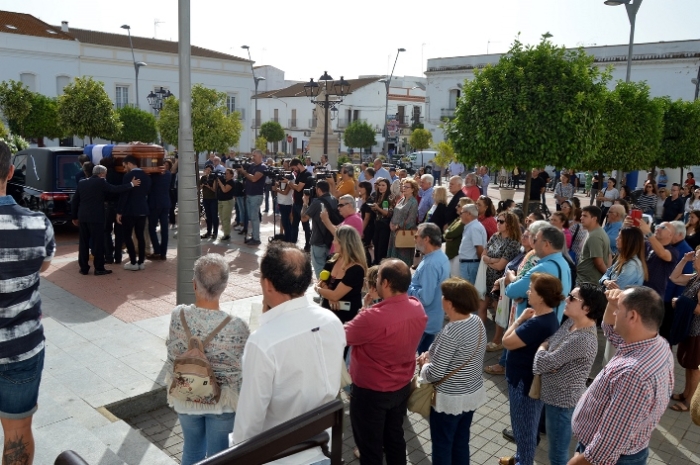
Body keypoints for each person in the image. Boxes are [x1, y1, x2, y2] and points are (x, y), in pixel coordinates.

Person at [232, 243, 345, 464]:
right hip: (323, 447)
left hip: (282, 456)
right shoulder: (331, 321)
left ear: (268, 284)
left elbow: (249, 423)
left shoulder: (263, 342)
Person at [571, 287, 674, 465]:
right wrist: (612, 305)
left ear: (633, 316)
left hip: (607, 458)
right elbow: (611, 330)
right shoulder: (656, 343)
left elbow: (607, 444)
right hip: (626, 451)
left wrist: (577, 462)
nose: (615, 313)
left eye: (619, 309)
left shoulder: (634, 374)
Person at [165, 254, 249, 465]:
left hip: (186, 394)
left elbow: (172, 353)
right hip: (222, 402)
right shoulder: (237, 325)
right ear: (224, 286)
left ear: (194, 284)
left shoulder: (178, 315)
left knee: (191, 452)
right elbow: (240, 373)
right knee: (218, 458)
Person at [0, 141, 55, 465]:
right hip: (22, 348)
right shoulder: (37, 225)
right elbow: (43, 267)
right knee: (17, 432)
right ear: (10, 171)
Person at [345, 259, 427, 465]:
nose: (376, 281)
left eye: (379, 277)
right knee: (395, 440)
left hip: (371, 392)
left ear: (387, 283)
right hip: (400, 388)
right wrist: (368, 306)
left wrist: (365, 308)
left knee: (370, 448)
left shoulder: (373, 318)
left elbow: (344, 336)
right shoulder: (417, 307)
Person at [533, 284, 607, 465]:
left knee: (557, 454)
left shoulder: (582, 338)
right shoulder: (570, 323)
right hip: (552, 395)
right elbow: (550, 343)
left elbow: (540, 364)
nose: (566, 299)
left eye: (572, 298)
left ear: (587, 308)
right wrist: (548, 352)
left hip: (561, 403)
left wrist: (544, 352)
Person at [417, 278, 487, 465]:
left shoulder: (452, 332)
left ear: (449, 303)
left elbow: (436, 373)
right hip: (471, 394)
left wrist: (424, 365)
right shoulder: (477, 322)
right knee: (461, 442)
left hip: (449, 399)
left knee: (442, 446)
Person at [500, 273, 562, 465]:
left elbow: (506, 342)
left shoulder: (536, 323)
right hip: (525, 380)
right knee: (526, 427)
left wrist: (518, 321)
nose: (528, 291)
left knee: (524, 431)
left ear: (541, 296)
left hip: (523, 383)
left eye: (532, 290)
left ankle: (523, 461)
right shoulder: (549, 318)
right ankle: (519, 458)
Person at [71, 164, 138, 275]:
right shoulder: (101, 182)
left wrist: (74, 216)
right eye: (105, 175)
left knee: (83, 243)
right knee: (98, 243)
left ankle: (83, 268)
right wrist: (131, 184)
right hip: (96, 217)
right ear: (102, 174)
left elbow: (75, 200)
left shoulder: (82, 182)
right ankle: (99, 268)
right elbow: (115, 189)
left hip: (83, 217)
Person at [505, 224, 571, 322]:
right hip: (551, 325)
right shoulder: (564, 263)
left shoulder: (543, 268)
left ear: (546, 244)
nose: (533, 243)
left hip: (535, 327)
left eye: (535, 240)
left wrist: (518, 290)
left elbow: (511, 291)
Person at [409, 223, 451, 353]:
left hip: (424, 323)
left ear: (426, 239)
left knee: (416, 358)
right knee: (425, 358)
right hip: (433, 319)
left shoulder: (430, 264)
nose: (414, 239)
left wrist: (406, 287)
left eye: (416, 236)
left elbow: (425, 298)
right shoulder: (440, 257)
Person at [479, 211, 521, 336]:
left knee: (499, 311)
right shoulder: (495, 237)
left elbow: (500, 266)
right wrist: (494, 260)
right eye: (497, 220)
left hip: (499, 282)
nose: (498, 223)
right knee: (481, 307)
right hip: (486, 278)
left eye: (501, 221)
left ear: (510, 224)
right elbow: (483, 255)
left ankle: (498, 338)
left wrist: (489, 260)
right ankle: (479, 335)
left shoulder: (513, 242)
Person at [668, 248, 700, 412]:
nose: (694, 259)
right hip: (691, 329)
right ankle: (686, 393)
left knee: (694, 368)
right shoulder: (696, 277)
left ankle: (689, 402)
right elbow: (674, 277)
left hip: (697, 332)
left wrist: (680, 302)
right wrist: (684, 260)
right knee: (688, 364)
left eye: (697, 257)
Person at [314, 225, 367, 324]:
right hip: (327, 316)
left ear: (344, 243)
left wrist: (319, 290)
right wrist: (329, 294)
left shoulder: (356, 269)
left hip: (346, 321)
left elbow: (334, 295)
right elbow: (321, 281)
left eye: (335, 240)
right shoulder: (332, 260)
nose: (333, 242)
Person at [117, 155, 152, 271]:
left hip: (129, 211)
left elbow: (124, 195)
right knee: (140, 236)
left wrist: (119, 211)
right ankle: (141, 262)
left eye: (125, 165)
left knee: (127, 236)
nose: (124, 168)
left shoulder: (128, 176)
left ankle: (133, 262)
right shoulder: (146, 176)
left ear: (129, 163)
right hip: (142, 209)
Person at [302, 180, 338, 277]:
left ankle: (323, 291)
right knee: (331, 269)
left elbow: (304, 218)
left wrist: (305, 203)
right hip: (332, 241)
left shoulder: (317, 202)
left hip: (318, 240)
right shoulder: (335, 200)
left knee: (320, 270)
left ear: (318, 190)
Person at [237, 149, 267, 246]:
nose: (253, 157)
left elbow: (254, 178)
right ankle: (254, 235)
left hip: (256, 195)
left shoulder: (262, 167)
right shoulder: (253, 166)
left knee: (254, 218)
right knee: (251, 217)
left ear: (260, 156)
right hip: (249, 194)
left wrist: (244, 172)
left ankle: (256, 238)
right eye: (252, 155)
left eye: (254, 155)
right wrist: (241, 170)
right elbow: (245, 174)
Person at [387, 178, 419, 267]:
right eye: (403, 186)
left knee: (402, 261)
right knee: (393, 261)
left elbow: (411, 220)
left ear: (413, 189)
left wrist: (398, 226)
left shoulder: (413, 202)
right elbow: (395, 212)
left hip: (404, 233)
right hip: (394, 233)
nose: (404, 188)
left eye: (407, 187)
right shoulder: (401, 199)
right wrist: (391, 223)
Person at [576, 206, 611, 286]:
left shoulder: (594, 235)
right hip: (589, 281)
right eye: (581, 215)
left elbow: (598, 262)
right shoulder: (598, 232)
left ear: (594, 219)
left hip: (587, 282)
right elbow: (609, 255)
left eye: (585, 216)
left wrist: (606, 276)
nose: (581, 218)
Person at [444, 198, 474, 277]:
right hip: (451, 255)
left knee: (455, 278)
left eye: (458, 206)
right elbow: (446, 232)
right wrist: (447, 235)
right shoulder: (458, 219)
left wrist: (447, 234)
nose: (456, 207)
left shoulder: (463, 223)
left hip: (457, 256)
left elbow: (450, 234)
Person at [458, 204, 487, 284]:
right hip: (469, 264)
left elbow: (479, 248)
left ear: (468, 213)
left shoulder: (474, 227)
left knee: (468, 291)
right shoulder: (471, 226)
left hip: (471, 265)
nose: (460, 215)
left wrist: (479, 264)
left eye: (462, 213)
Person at [289, 158, 313, 250]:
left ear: (299, 164)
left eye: (294, 168)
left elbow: (298, 188)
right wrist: (290, 183)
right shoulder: (299, 174)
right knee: (294, 225)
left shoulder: (307, 174)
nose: (294, 170)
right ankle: (293, 243)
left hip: (303, 204)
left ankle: (308, 245)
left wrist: (288, 182)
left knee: (305, 226)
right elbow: (296, 187)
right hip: (296, 203)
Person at [147, 168, 172, 260]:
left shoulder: (153, 176)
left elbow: (148, 188)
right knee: (164, 229)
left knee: (151, 228)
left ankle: (157, 251)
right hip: (165, 203)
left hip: (154, 204)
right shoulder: (168, 174)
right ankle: (163, 253)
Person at [370, 178, 394, 265]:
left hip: (385, 225)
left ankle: (381, 265)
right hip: (377, 224)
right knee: (376, 244)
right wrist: (374, 209)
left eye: (383, 185)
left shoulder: (390, 197)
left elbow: (388, 213)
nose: (381, 187)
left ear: (388, 186)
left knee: (382, 247)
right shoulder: (378, 196)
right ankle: (376, 263)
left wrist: (377, 208)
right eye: (379, 185)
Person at [272, 170, 294, 243]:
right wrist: (276, 186)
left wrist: (277, 189)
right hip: (280, 202)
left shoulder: (290, 178)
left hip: (286, 203)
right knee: (285, 222)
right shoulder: (280, 179)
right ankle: (287, 238)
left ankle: (289, 239)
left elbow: (285, 192)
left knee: (286, 223)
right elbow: (275, 192)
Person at [214, 169, 235, 241]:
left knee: (226, 218)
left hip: (227, 202)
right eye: (225, 173)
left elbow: (225, 190)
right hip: (220, 201)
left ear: (232, 175)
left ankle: (227, 234)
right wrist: (216, 179)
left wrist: (219, 181)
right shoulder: (223, 180)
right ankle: (225, 233)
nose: (226, 175)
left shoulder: (231, 182)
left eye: (227, 173)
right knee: (222, 218)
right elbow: (215, 188)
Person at [199, 166, 218, 239]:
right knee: (208, 216)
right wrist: (203, 184)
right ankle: (208, 232)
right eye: (206, 169)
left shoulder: (214, 178)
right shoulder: (203, 177)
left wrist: (208, 186)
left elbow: (214, 189)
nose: (207, 171)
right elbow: (199, 187)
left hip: (213, 199)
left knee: (214, 216)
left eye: (209, 170)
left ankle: (215, 233)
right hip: (205, 199)